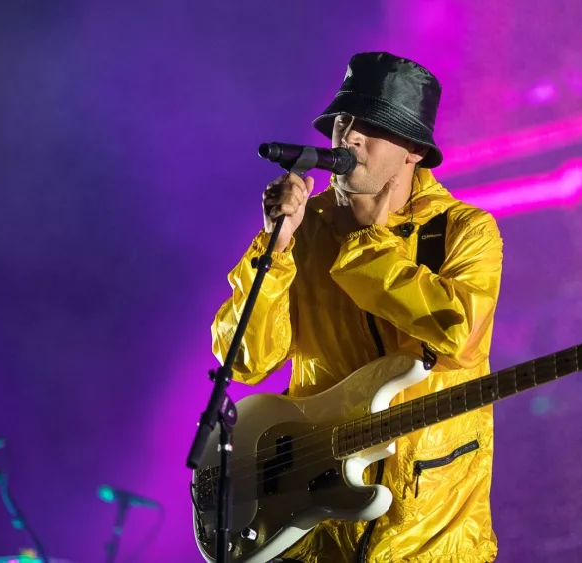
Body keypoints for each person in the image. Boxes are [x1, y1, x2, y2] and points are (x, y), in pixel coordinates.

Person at [211, 52, 504, 563]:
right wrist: (274, 250)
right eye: (343, 120)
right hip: (312, 530)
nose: (350, 136)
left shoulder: (465, 231)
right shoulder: (305, 229)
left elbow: (457, 335)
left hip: (430, 536)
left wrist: (368, 241)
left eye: (372, 126)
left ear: (413, 150)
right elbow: (246, 359)